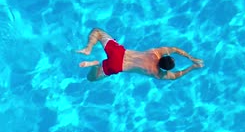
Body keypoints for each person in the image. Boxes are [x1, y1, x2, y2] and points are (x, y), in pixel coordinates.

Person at [76, 28, 204, 81]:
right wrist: (192, 67)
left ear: (165, 57)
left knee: (97, 31)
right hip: (118, 66)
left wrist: (190, 57)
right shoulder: (156, 72)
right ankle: (94, 65)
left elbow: (175, 49)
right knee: (91, 78)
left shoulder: (156, 53)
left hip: (119, 52)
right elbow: (176, 76)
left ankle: (88, 49)